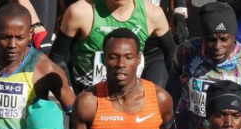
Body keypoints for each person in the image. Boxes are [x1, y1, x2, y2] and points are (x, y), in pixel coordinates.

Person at [175, 2, 241, 129]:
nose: (217, 46)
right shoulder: (186, 51)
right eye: (211, 40)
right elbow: (173, 87)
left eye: (224, 39)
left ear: (234, 36)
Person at [49, 0, 177, 93]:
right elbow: (57, 57)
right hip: (89, 100)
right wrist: (69, 93)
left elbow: (172, 55)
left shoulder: (152, 14)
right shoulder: (80, 12)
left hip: (130, 99)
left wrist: (176, 91)